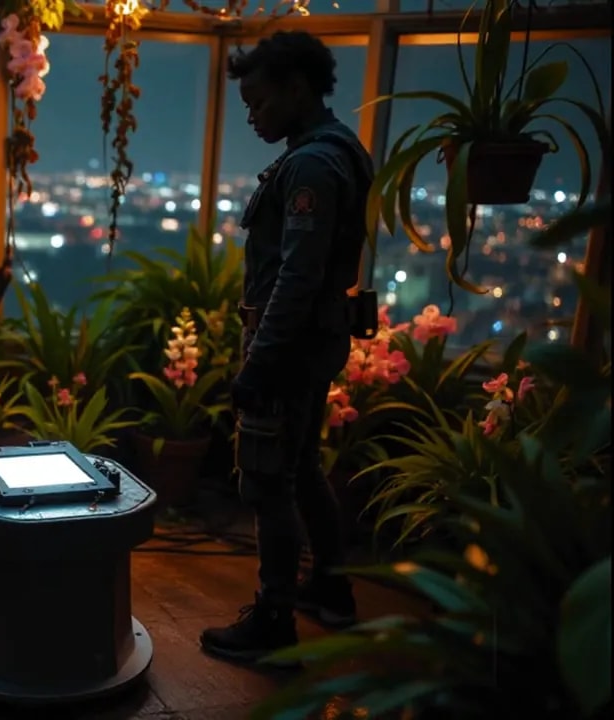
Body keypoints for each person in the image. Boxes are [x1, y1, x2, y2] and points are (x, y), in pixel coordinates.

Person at [198, 31, 375, 665]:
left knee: (267, 480)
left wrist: (259, 360)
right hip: (316, 340)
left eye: (258, 102)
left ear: (296, 90)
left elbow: (296, 277)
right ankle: (330, 585)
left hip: (291, 346)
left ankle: (273, 616)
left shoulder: (309, 166)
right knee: (300, 467)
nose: (251, 117)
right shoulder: (340, 151)